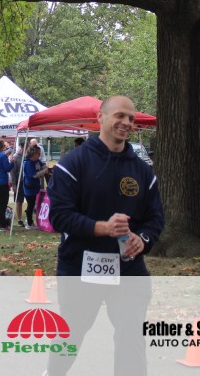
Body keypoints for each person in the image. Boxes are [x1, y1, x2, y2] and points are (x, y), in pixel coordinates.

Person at [46, 95, 165, 376]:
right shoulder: (73, 164)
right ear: (100, 117)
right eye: (120, 115)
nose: (126, 123)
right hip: (80, 265)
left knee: (131, 335)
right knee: (71, 333)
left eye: (131, 118)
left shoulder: (142, 170)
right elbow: (59, 216)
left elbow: (155, 218)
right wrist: (102, 228)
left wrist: (142, 239)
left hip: (129, 270)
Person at [21, 144, 49, 229]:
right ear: (33, 153)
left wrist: (45, 167)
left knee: (33, 205)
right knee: (31, 205)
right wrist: (44, 171)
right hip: (29, 187)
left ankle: (31, 221)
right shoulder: (28, 163)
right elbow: (34, 175)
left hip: (36, 186)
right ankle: (29, 223)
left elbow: (42, 164)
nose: (39, 155)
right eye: (38, 153)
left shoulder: (36, 161)